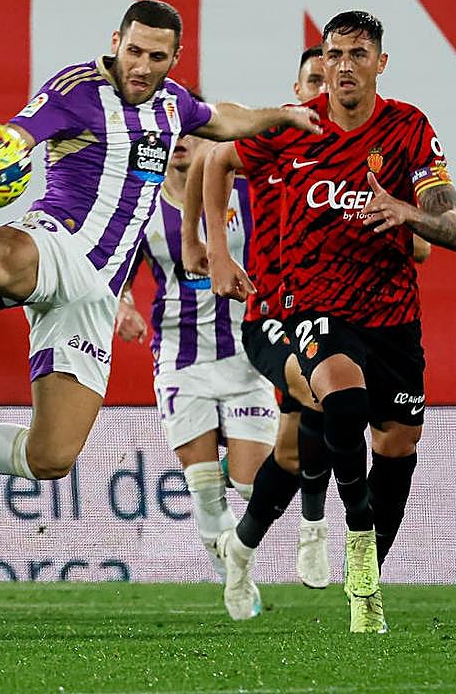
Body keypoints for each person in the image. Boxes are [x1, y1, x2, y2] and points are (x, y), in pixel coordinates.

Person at [0, 0, 319, 524]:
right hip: (60, 238)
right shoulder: (75, 90)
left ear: (175, 58)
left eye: (156, 56)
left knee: (51, 456)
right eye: (133, 51)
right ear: (115, 43)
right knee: (10, 255)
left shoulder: (174, 105)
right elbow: (18, 135)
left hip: (95, 295)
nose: (141, 66)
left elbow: (222, 119)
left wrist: (281, 115)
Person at [205, 10, 456, 634]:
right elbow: (216, 158)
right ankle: (341, 530)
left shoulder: (408, 128)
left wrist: (404, 209)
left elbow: (451, 230)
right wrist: (214, 251)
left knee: (392, 443)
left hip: (394, 315)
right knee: (338, 402)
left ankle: (362, 570)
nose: (342, 65)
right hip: (308, 307)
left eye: (356, 53)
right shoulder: (297, 128)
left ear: (380, 62)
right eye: (333, 54)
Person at [182, 47, 335, 600]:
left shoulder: (368, 148)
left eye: (333, 77)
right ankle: (315, 528)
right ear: (297, 90)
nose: (324, 87)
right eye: (314, 78)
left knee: (292, 450)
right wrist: (205, 247)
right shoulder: (278, 142)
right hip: (270, 314)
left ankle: (241, 550)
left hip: (336, 314)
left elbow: (418, 247)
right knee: (324, 391)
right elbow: (211, 158)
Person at [113, 128, 278, 591]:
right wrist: (123, 306)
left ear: (213, 143)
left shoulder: (243, 193)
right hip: (179, 358)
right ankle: (236, 583)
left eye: (195, 133)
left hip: (246, 358)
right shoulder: (142, 205)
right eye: (174, 133)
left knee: (253, 487)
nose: (182, 141)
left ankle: (231, 471)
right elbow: (117, 273)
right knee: (204, 489)